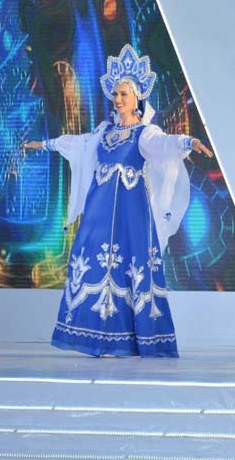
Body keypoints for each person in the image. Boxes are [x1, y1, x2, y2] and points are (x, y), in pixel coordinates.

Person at [22, 44, 213, 358]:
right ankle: (97, 338)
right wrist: (45, 144)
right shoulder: (104, 132)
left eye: (124, 94)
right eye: (115, 94)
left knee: (130, 268)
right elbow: (78, 144)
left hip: (130, 214)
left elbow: (165, 144)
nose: (118, 99)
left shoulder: (145, 133)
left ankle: (130, 340)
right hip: (98, 211)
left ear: (137, 97)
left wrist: (188, 141)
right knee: (91, 261)